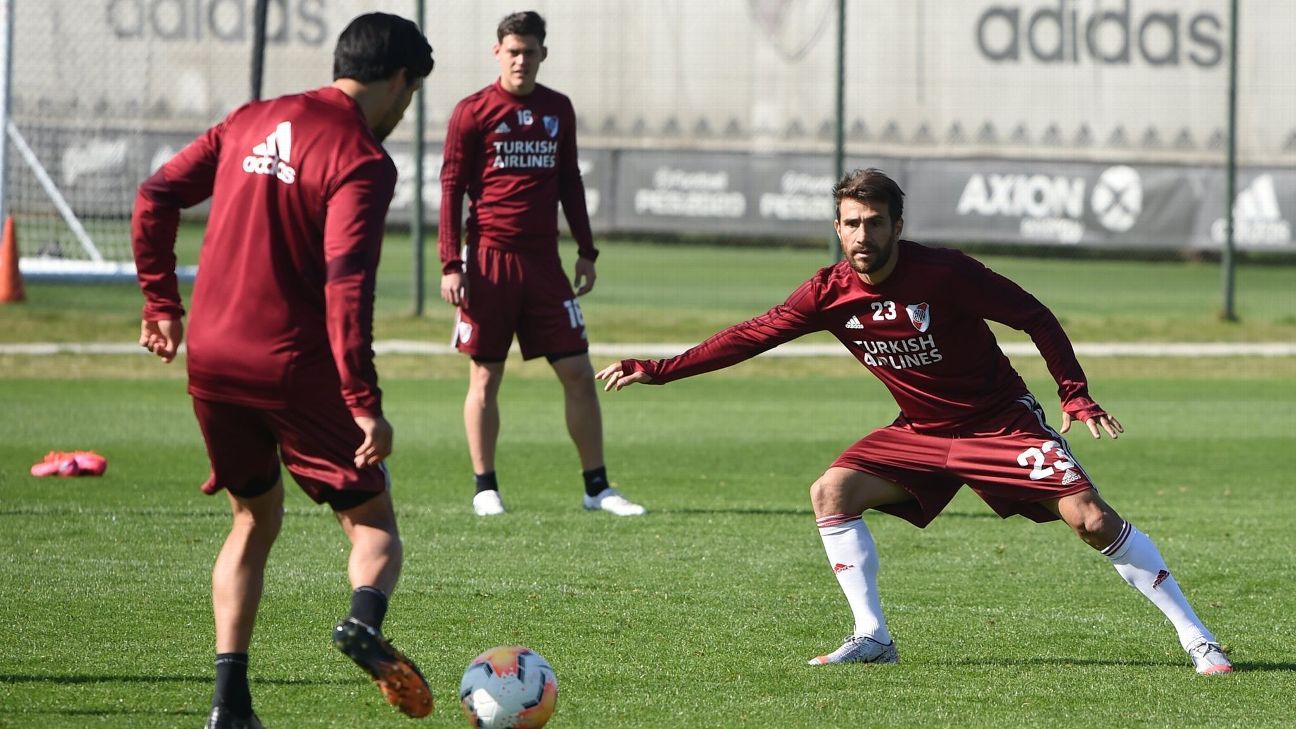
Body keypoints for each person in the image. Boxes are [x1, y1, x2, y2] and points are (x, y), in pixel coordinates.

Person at [596, 168, 1232, 676]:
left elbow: (1035, 315)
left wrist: (1074, 394)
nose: (862, 235)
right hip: (921, 433)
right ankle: (872, 637)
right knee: (832, 491)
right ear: (837, 229)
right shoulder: (829, 291)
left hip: (999, 424)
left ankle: (1197, 638)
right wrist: (661, 368)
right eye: (850, 224)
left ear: (898, 225)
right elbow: (752, 335)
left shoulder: (945, 273)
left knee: (1092, 519)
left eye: (874, 222)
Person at [131, 13, 437, 728]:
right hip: (291, 365)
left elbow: (156, 194)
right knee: (374, 524)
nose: (404, 110)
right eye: (410, 94)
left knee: (253, 517)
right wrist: (364, 401)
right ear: (397, 80)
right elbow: (345, 286)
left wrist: (160, 301)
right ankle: (363, 623)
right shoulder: (362, 157)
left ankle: (228, 705)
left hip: (210, 358)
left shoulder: (250, 118)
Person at [439, 10, 643, 518]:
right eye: (513, 51)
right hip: (487, 263)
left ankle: (597, 487)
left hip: (544, 265)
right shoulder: (472, 111)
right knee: (485, 377)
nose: (521, 60)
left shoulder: (558, 109)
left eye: (530, 52)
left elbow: (569, 181)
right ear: (497, 53)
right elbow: (451, 189)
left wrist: (587, 250)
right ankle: (485, 487)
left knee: (578, 370)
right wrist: (450, 262)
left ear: (542, 54)